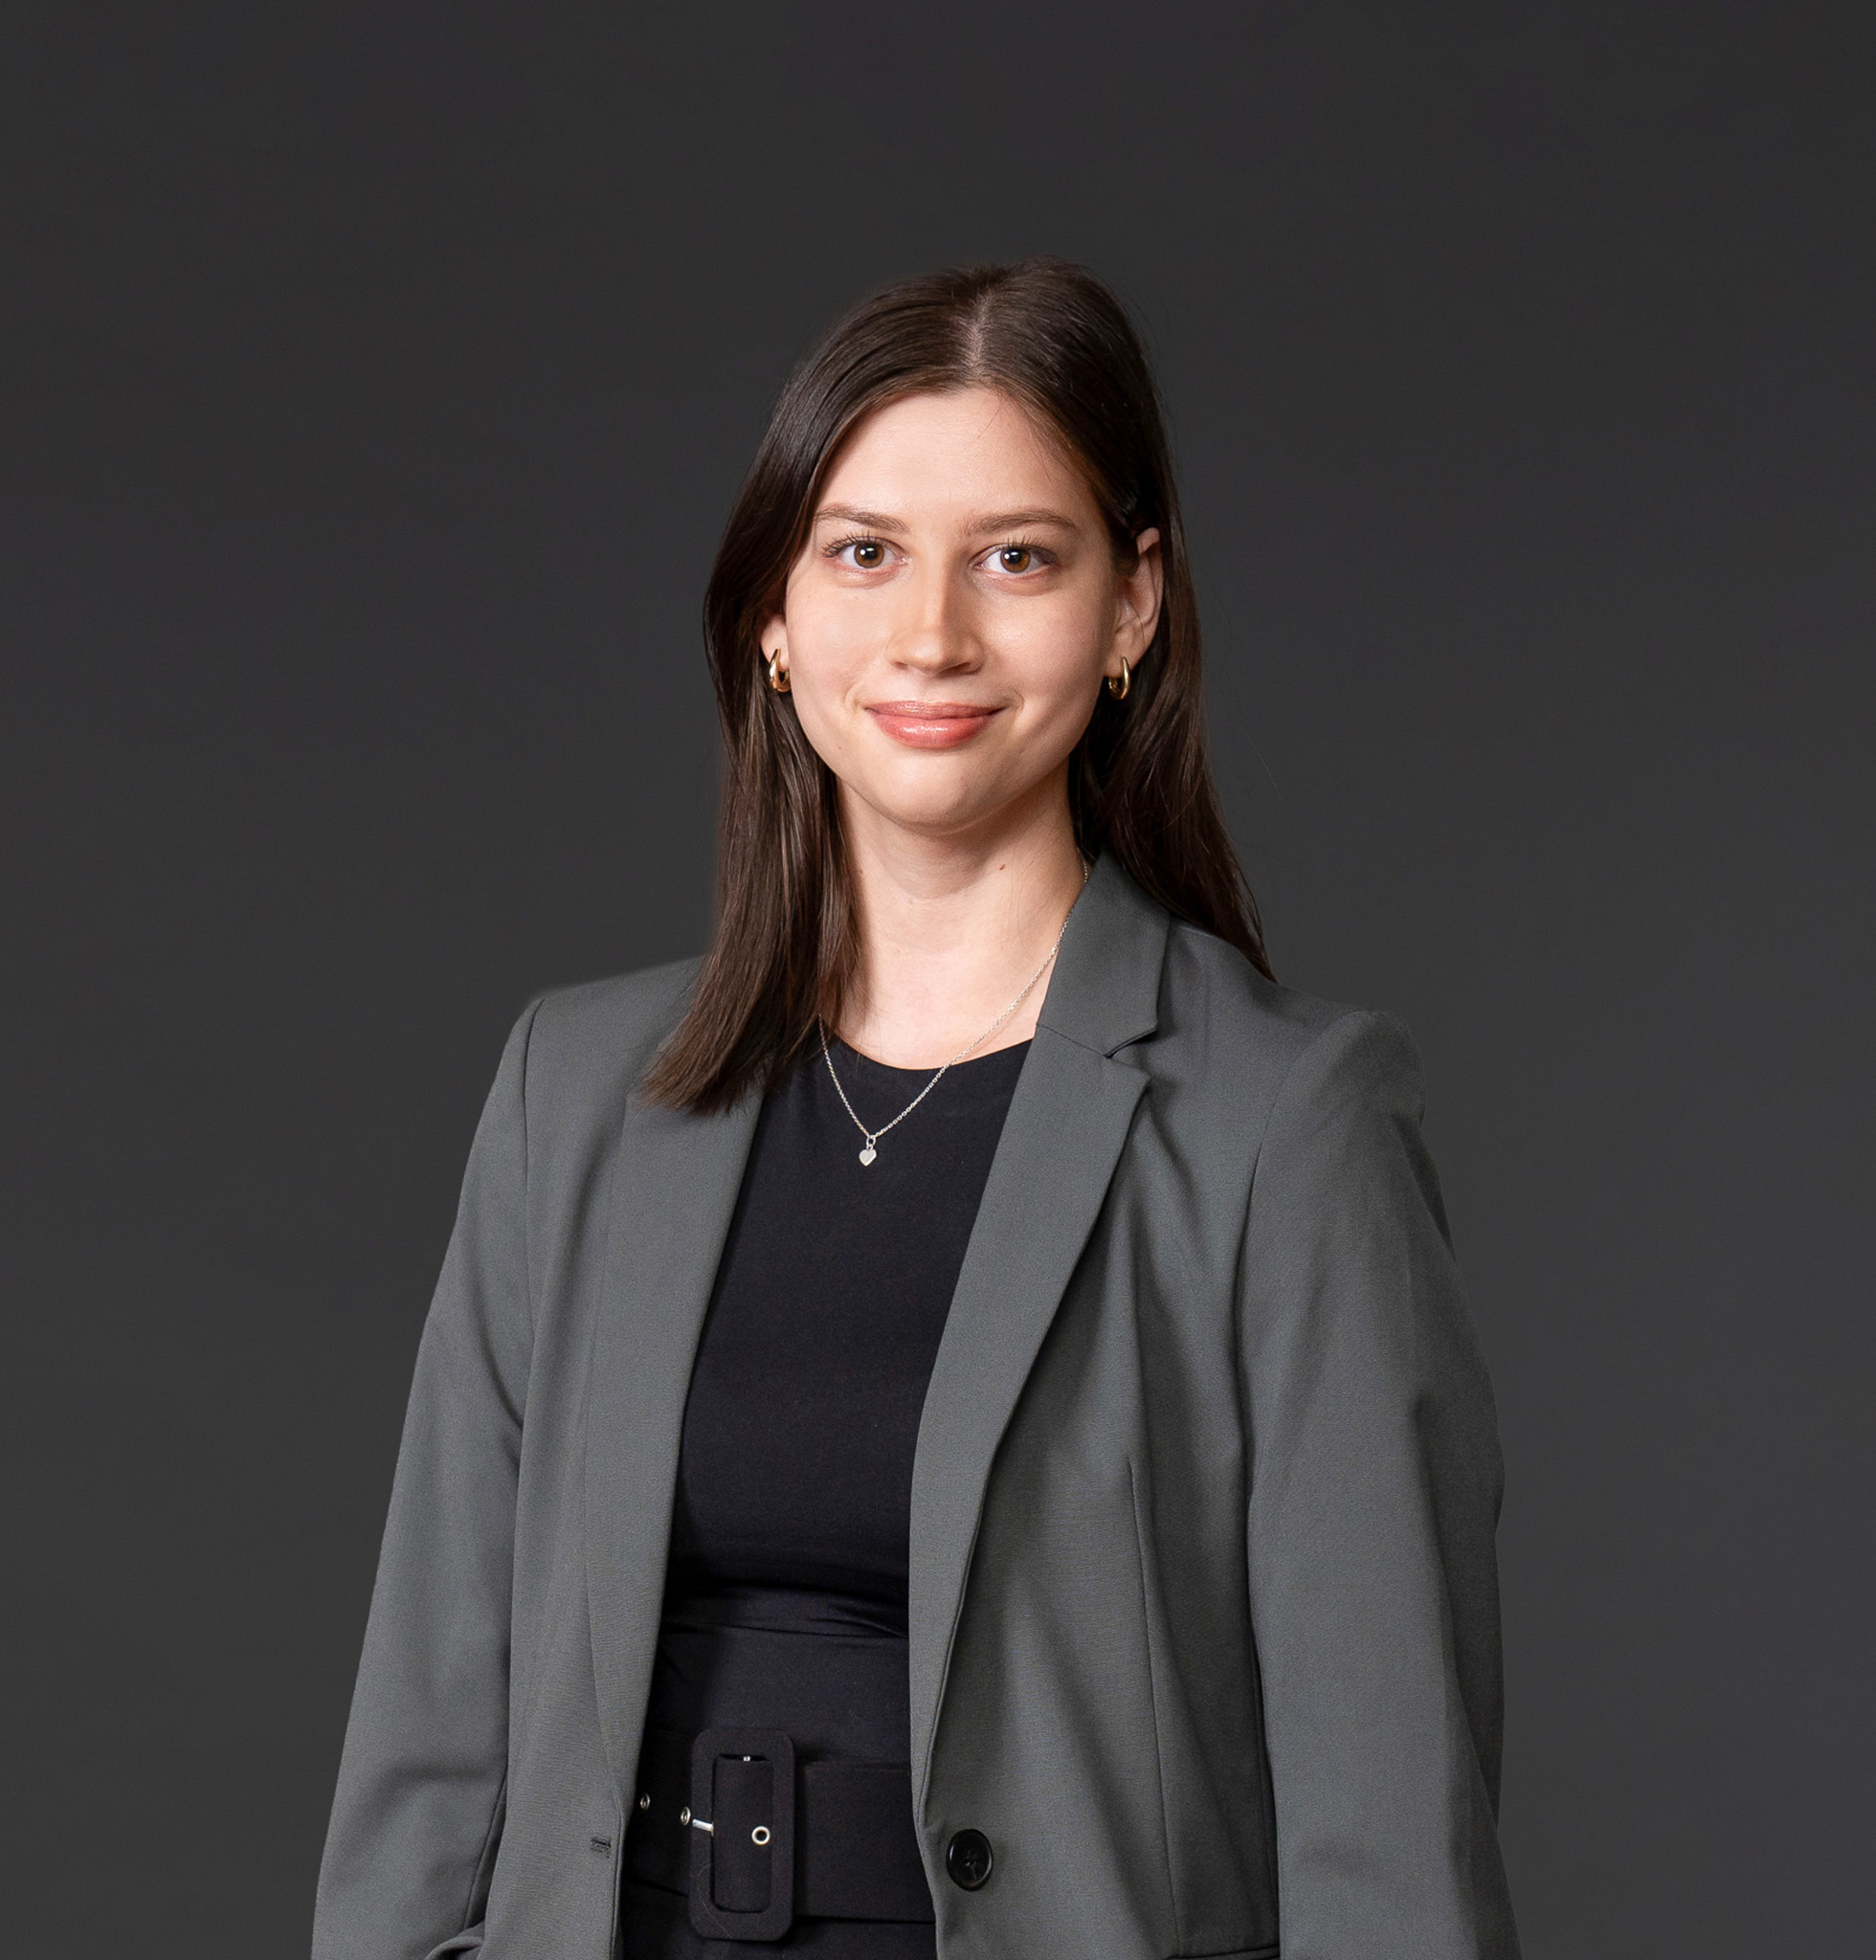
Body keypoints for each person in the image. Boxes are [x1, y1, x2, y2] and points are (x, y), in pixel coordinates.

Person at [312, 259, 1519, 1960]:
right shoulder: (569, 1094)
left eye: (1016, 557)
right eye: (863, 552)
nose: (933, 633)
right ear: (775, 616)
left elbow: (1391, 1844)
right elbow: (424, 1762)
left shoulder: (1285, 1125)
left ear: (1132, 607)